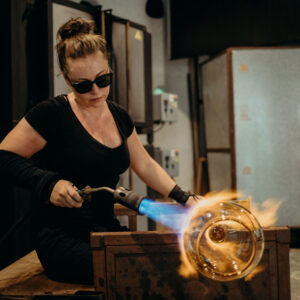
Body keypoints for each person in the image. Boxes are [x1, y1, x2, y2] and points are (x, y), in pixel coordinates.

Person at [0, 18, 199, 284]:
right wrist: (48, 183)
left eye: (103, 79)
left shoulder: (118, 115)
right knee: (135, 274)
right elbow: (4, 157)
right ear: (67, 79)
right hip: (62, 237)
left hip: (105, 227)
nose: (96, 91)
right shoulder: (51, 115)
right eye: (83, 85)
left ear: (110, 69)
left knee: (169, 265)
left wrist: (183, 197)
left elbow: (145, 164)